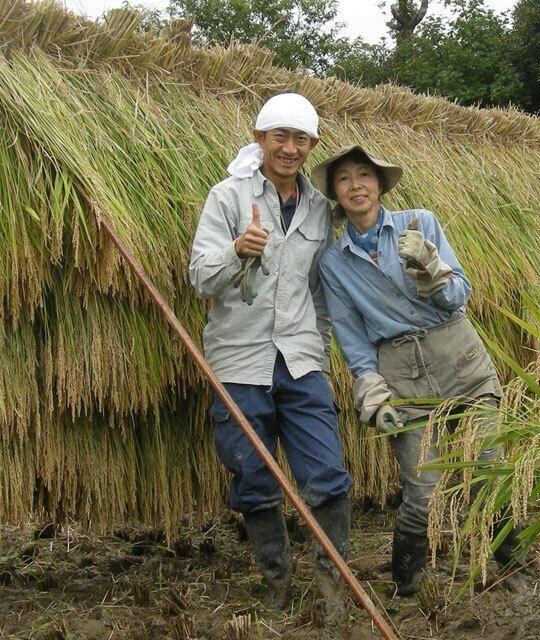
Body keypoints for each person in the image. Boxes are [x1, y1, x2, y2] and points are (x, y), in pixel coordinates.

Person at [311, 145, 517, 597]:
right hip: (403, 376)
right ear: (335, 194)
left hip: (461, 362)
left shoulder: (419, 223)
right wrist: (371, 390)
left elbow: (459, 294)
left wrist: (431, 267)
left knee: (488, 468)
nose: (355, 186)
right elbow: (351, 335)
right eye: (344, 179)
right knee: (422, 491)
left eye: (365, 175)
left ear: (381, 185)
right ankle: (407, 582)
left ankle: (512, 566)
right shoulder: (333, 262)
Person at [189, 94, 352, 613]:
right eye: (279, 135)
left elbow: (320, 289)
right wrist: (237, 250)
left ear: (312, 146)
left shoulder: (319, 209)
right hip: (239, 358)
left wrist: (319, 346)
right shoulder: (227, 196)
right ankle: (277, 580)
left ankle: (334, 589)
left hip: (302, 359)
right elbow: (199, 279)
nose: (289, 147)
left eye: (300, 138)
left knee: (326, 471)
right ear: (259, 138)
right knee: (252, 473)